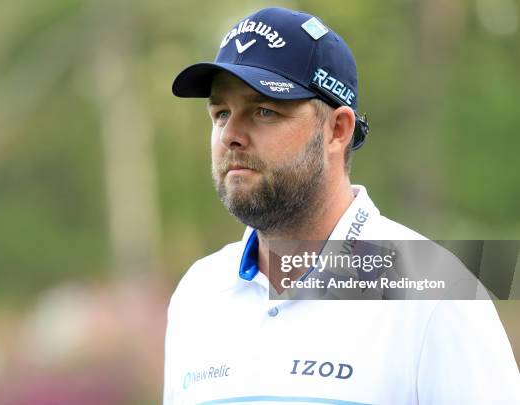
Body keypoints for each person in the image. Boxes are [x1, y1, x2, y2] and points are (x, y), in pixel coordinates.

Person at [164, 7, 519, 405]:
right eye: (221, 113)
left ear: (338, 130)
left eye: (264, 111)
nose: (230, 135)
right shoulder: (198, 293)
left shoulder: (437, 293)